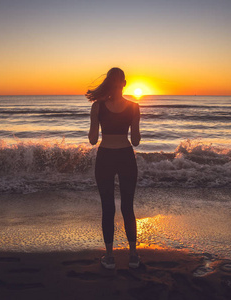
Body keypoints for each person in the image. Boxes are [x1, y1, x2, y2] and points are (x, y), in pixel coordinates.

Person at [86, 68, 141, 269]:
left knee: (107, 207)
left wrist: (96, 125)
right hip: (126, 157)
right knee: (128, 207)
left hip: (105, 158)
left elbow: (93, 140)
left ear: (109, 83)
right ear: (124, 83)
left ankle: (109, 258)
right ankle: (133, 256)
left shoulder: (97, 107)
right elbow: (135, 141)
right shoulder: (134, 107)